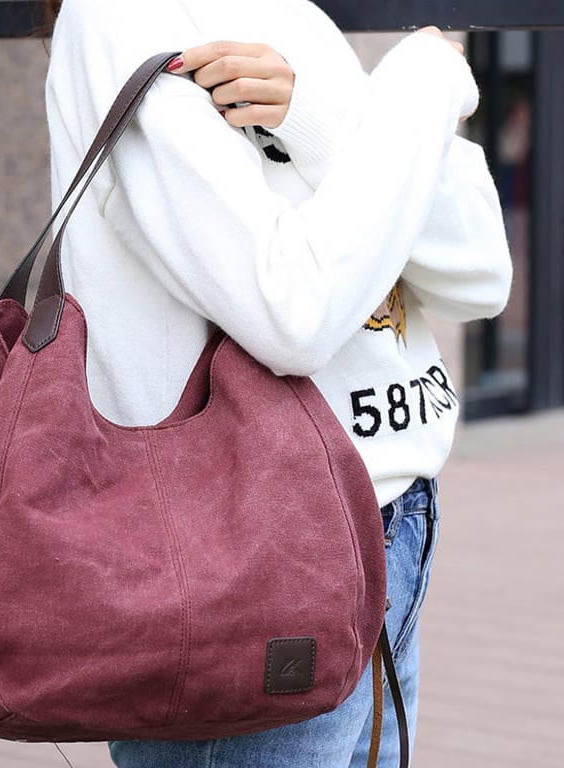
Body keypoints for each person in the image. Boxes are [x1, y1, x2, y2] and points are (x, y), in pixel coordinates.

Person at [43, 0, 512, 765]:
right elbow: (292, 314)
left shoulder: (292, 13)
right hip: (248, 551)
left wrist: (324, 119)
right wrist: (423, 82)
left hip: (395, 522)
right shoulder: (123, 19)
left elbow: (480, 274)